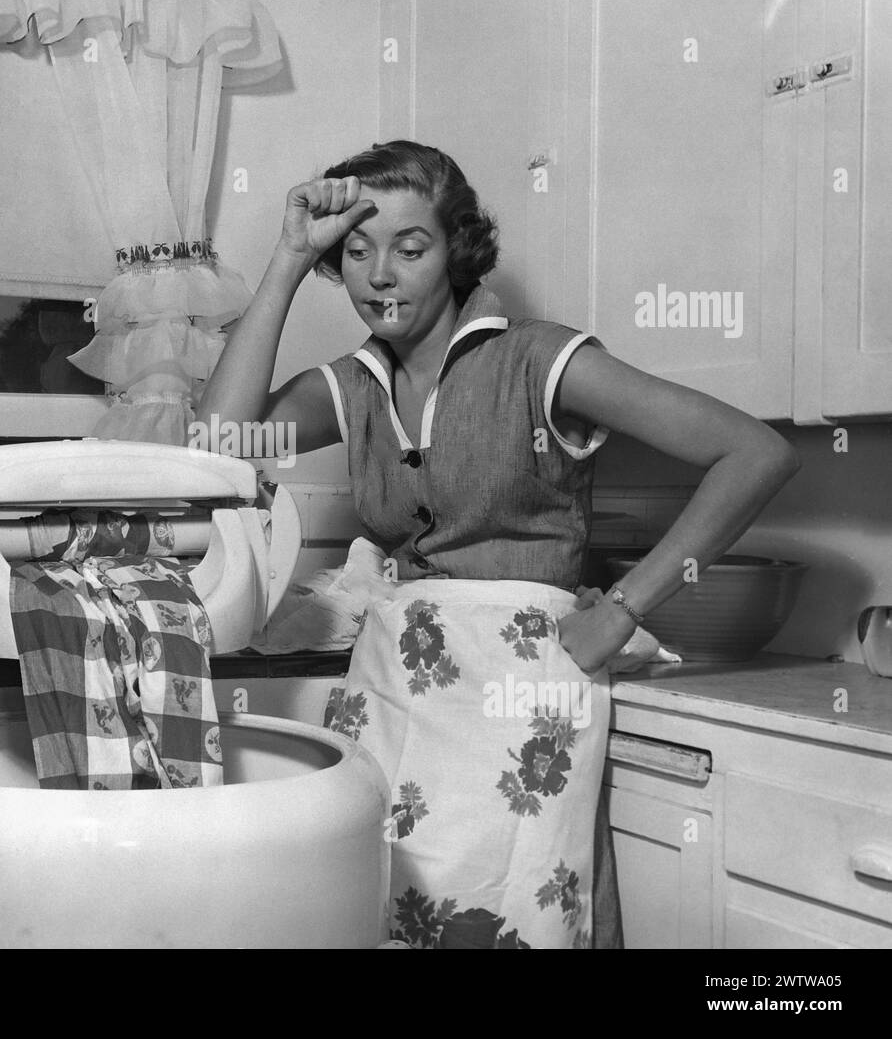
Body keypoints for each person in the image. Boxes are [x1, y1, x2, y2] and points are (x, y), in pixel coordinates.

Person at [197, 140, 799, 948]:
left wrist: (624, 606)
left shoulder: (539, 359)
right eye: (357, 252)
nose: (380, 274)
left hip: (519, 716)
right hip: (390, 702)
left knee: (509, 921)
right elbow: (216, 444)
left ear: (456, 252)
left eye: (411, 248)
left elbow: (756, 452)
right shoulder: (354, 383)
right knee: (371, 918)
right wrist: (288, 256)